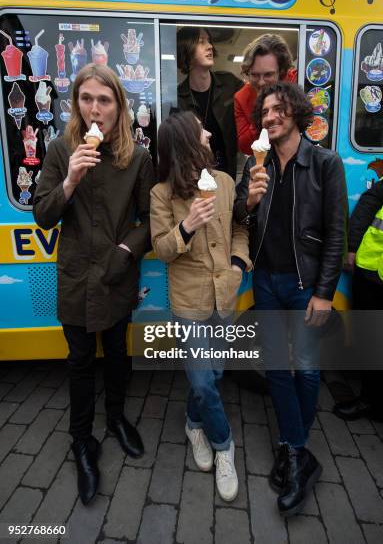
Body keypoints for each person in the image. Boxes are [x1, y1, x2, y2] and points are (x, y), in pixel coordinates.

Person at [33, 63, 155, 505]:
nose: (95, 109)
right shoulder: (59, 150)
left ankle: (118, 418)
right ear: (75, 104)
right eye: (87, 99)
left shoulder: (138, 157)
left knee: (119, 351)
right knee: (81, 359)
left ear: (119, 106)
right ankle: (82, 440)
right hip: (75, 276)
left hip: (118, 275)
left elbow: (149, 219)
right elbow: (43, 216)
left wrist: (126, 252)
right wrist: (70, 180)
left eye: (104, 100)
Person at [234, 82, 347, 516]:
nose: (271, 117)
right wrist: (250, 200)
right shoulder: (255, 164)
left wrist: (324, 293)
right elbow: (240, 220)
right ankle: (296, 448)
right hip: (265, 280)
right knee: (277, 367)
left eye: (279, 109)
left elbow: (336, 234)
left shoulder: (324, 163)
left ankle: (295, 451)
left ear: (296, 113)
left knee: (305, 367)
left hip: (304, 284)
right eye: (265, 112)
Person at [150, 111, 251, 502]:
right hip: (189, 302)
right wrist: (187, 225)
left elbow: (239, 228)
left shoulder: (224, 182)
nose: (210, 134)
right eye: (201, 130)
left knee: (217, 373)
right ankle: (225, 447)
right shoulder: (162, 194)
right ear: (186, 143)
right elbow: (161, 250)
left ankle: (193, 424)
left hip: (224, 294)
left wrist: (239, 264)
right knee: (204, 382)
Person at [333, 177, 383, 421]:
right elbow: (367, 207)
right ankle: (371, 400)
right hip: (371, 272)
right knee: (370, 340)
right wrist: (351, 248)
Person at [177, 26, 242, 179]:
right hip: (196, 176)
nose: (210, 46)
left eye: (209, 41)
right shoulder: (178, 97)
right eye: (201, 42)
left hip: (229, 171)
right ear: (187, 48)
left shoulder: (230, 84)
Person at [234, 33, 297, 155]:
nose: (261, 82)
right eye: (255, 75)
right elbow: (245, 146)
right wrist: (261, 109)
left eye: (268, 75)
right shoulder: (241, 98)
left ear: (282, 72)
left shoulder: (296, 82)